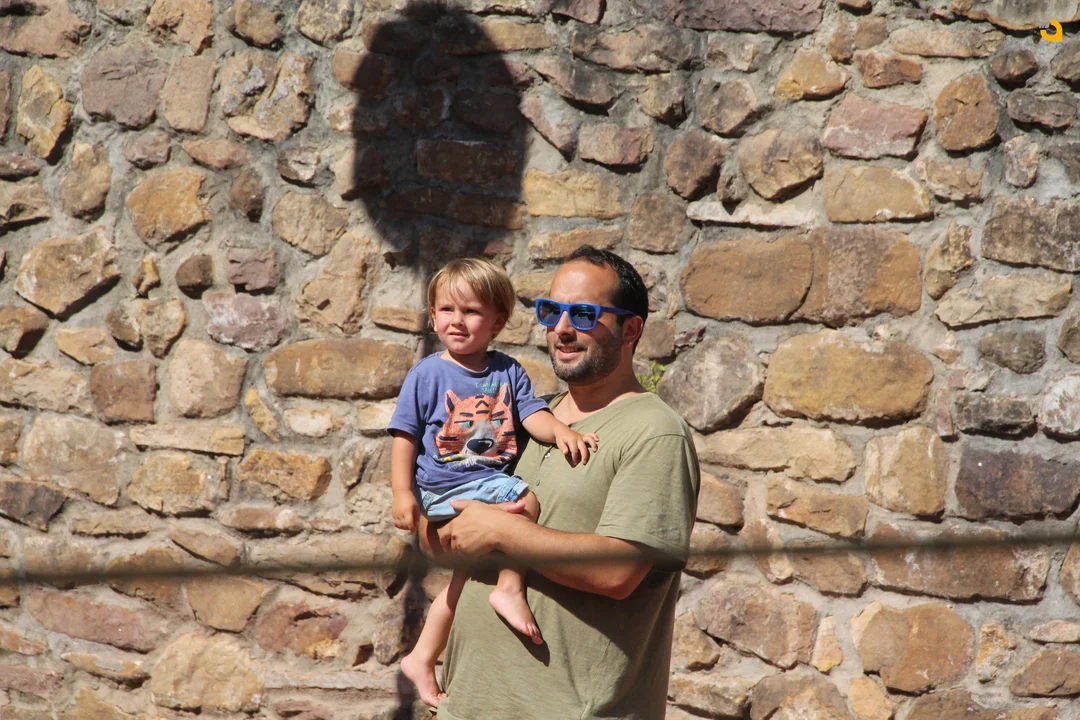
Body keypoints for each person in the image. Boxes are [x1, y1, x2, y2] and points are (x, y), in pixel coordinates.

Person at [430, 246, 700, 720]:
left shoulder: (654, 432)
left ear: (631, 330)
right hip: (464, 707)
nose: (562, 328)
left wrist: (500, 530)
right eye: (551, 311)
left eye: (584, 314)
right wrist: (444, 528)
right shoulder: (524, 420)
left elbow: (618, 573)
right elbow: (436, 533)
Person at [388, 258, 599, 709]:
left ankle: (421, 657)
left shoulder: (508, 371)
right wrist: (402, 493)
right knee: (525, 502)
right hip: (445, 488)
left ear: (497, 322)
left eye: (471, 312)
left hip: (484, 485)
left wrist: (561, 430)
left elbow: (533, 414)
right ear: (432, 316)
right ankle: (509, 586)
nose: (456, 321)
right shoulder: (427, 373)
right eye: (447, 310)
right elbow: (405, 435)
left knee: (464, 578)